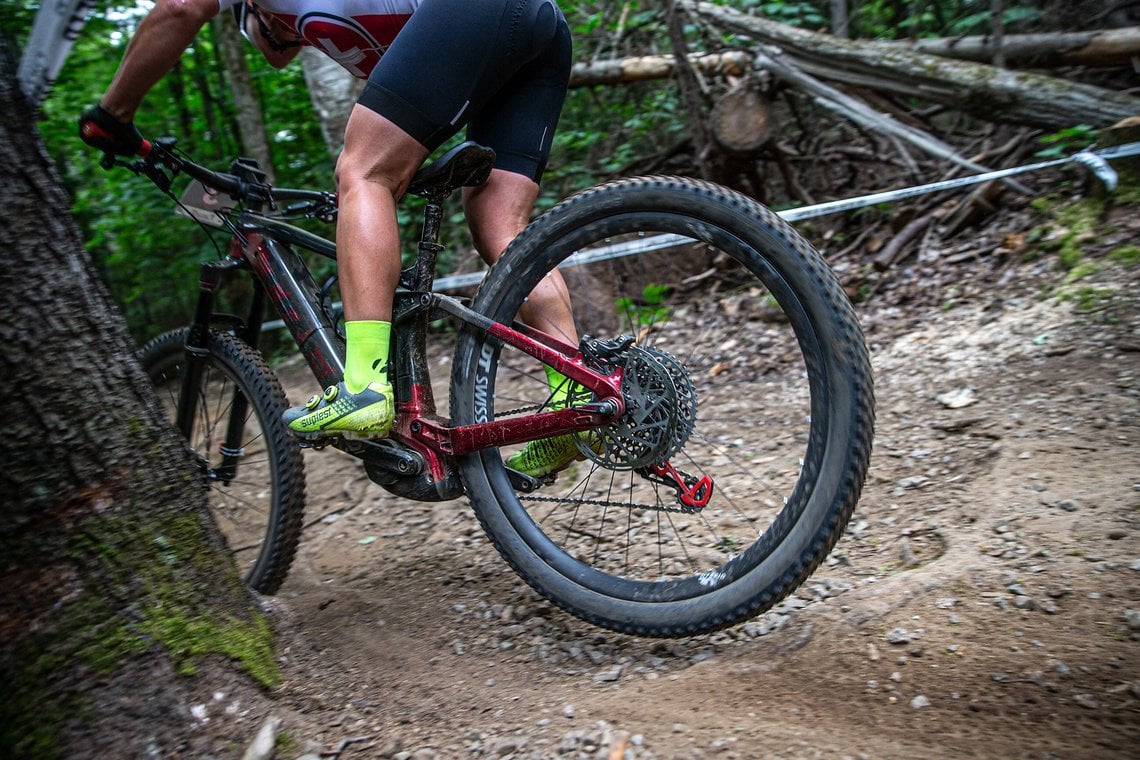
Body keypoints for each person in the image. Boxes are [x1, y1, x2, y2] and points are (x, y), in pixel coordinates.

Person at [80, 0, 588, 477]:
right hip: (537, 24)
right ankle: (577, 400)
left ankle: (364, 384)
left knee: (363, 172)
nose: (274, 44)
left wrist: (112, 117)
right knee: (500, 226)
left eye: (254, 28)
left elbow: (179, 8)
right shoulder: (336, 26)